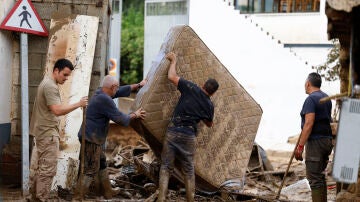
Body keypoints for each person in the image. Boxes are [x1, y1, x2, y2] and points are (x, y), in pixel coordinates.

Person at [157, 52, 219, 202]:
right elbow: (209, 124)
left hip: (173, 131)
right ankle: (190, 200)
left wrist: (174, 60)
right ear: (213, 93)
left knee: (166, 167)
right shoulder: (209, 105)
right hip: (189, 136)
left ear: (203, 85)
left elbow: (171, 76)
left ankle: (161, 198)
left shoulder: (190, 86)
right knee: (189, 171)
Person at [74, 75, 146, 199]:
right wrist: (135, 114)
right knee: (90, 169)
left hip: (92, 137)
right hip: (91, 139)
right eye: (115, 88)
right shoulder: (104, 100)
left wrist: (139, 85)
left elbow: (121, 90)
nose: (117, 91)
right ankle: (77, 198)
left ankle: (108, 191)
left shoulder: (100, 91)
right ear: (112, 87)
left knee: (101, 163)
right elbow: (121, 119)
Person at [29, 58, 88, 201]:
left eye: (68, 76)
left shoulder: (47, 83)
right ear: (56, 71)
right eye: (65, 75)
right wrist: (78, 104)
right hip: (47, 133)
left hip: (43, 132)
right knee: (48, 170)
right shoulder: (50, 86)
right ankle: (41, 198)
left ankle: (34, 197)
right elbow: (57, 110)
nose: (66, 78)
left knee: (42, 168)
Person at [295, 72, 333, 202]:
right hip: (327, 142)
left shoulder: (311, 99)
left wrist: (300, 146)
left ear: (308, 84)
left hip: (316, 143)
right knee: (320, 177)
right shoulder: (326, 98)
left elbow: (309, 123)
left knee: (314, 179)